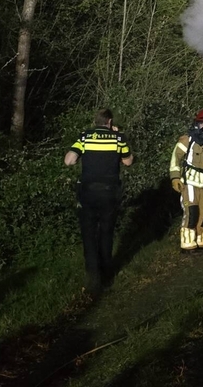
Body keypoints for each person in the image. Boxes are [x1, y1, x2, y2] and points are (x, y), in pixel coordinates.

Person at [64, 108, 133, 294]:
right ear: (109, 122)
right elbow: (128, 161)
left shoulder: (85, 137)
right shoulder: (118, 138)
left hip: (87, 194)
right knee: (106, 233)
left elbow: (69, 160)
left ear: (96, 121)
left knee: (88, 234)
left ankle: (93, 278)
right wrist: (118, 138)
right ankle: (107, 275)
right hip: (109, 193)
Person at [170, 109, 203, 250]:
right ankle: (188, 243)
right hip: (189, 183)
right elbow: (175, 159)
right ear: (197, 125)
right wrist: (175, 177)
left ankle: (201, 239)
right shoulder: (187, 140)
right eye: (202, 125)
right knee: (192, 212)